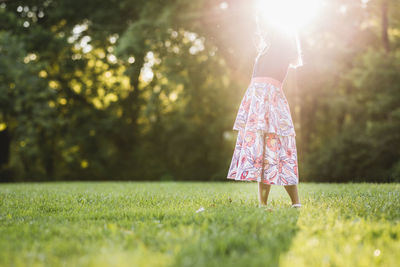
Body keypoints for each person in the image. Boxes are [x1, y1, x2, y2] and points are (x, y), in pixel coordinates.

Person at [226, 14, 303, 210]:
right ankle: (263, 203)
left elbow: (275, 27)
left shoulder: (283, 48)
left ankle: (295, 202)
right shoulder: (266, 49)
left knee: (281, 149)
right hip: (257, 102)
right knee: (261, 152)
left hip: (270, 102)